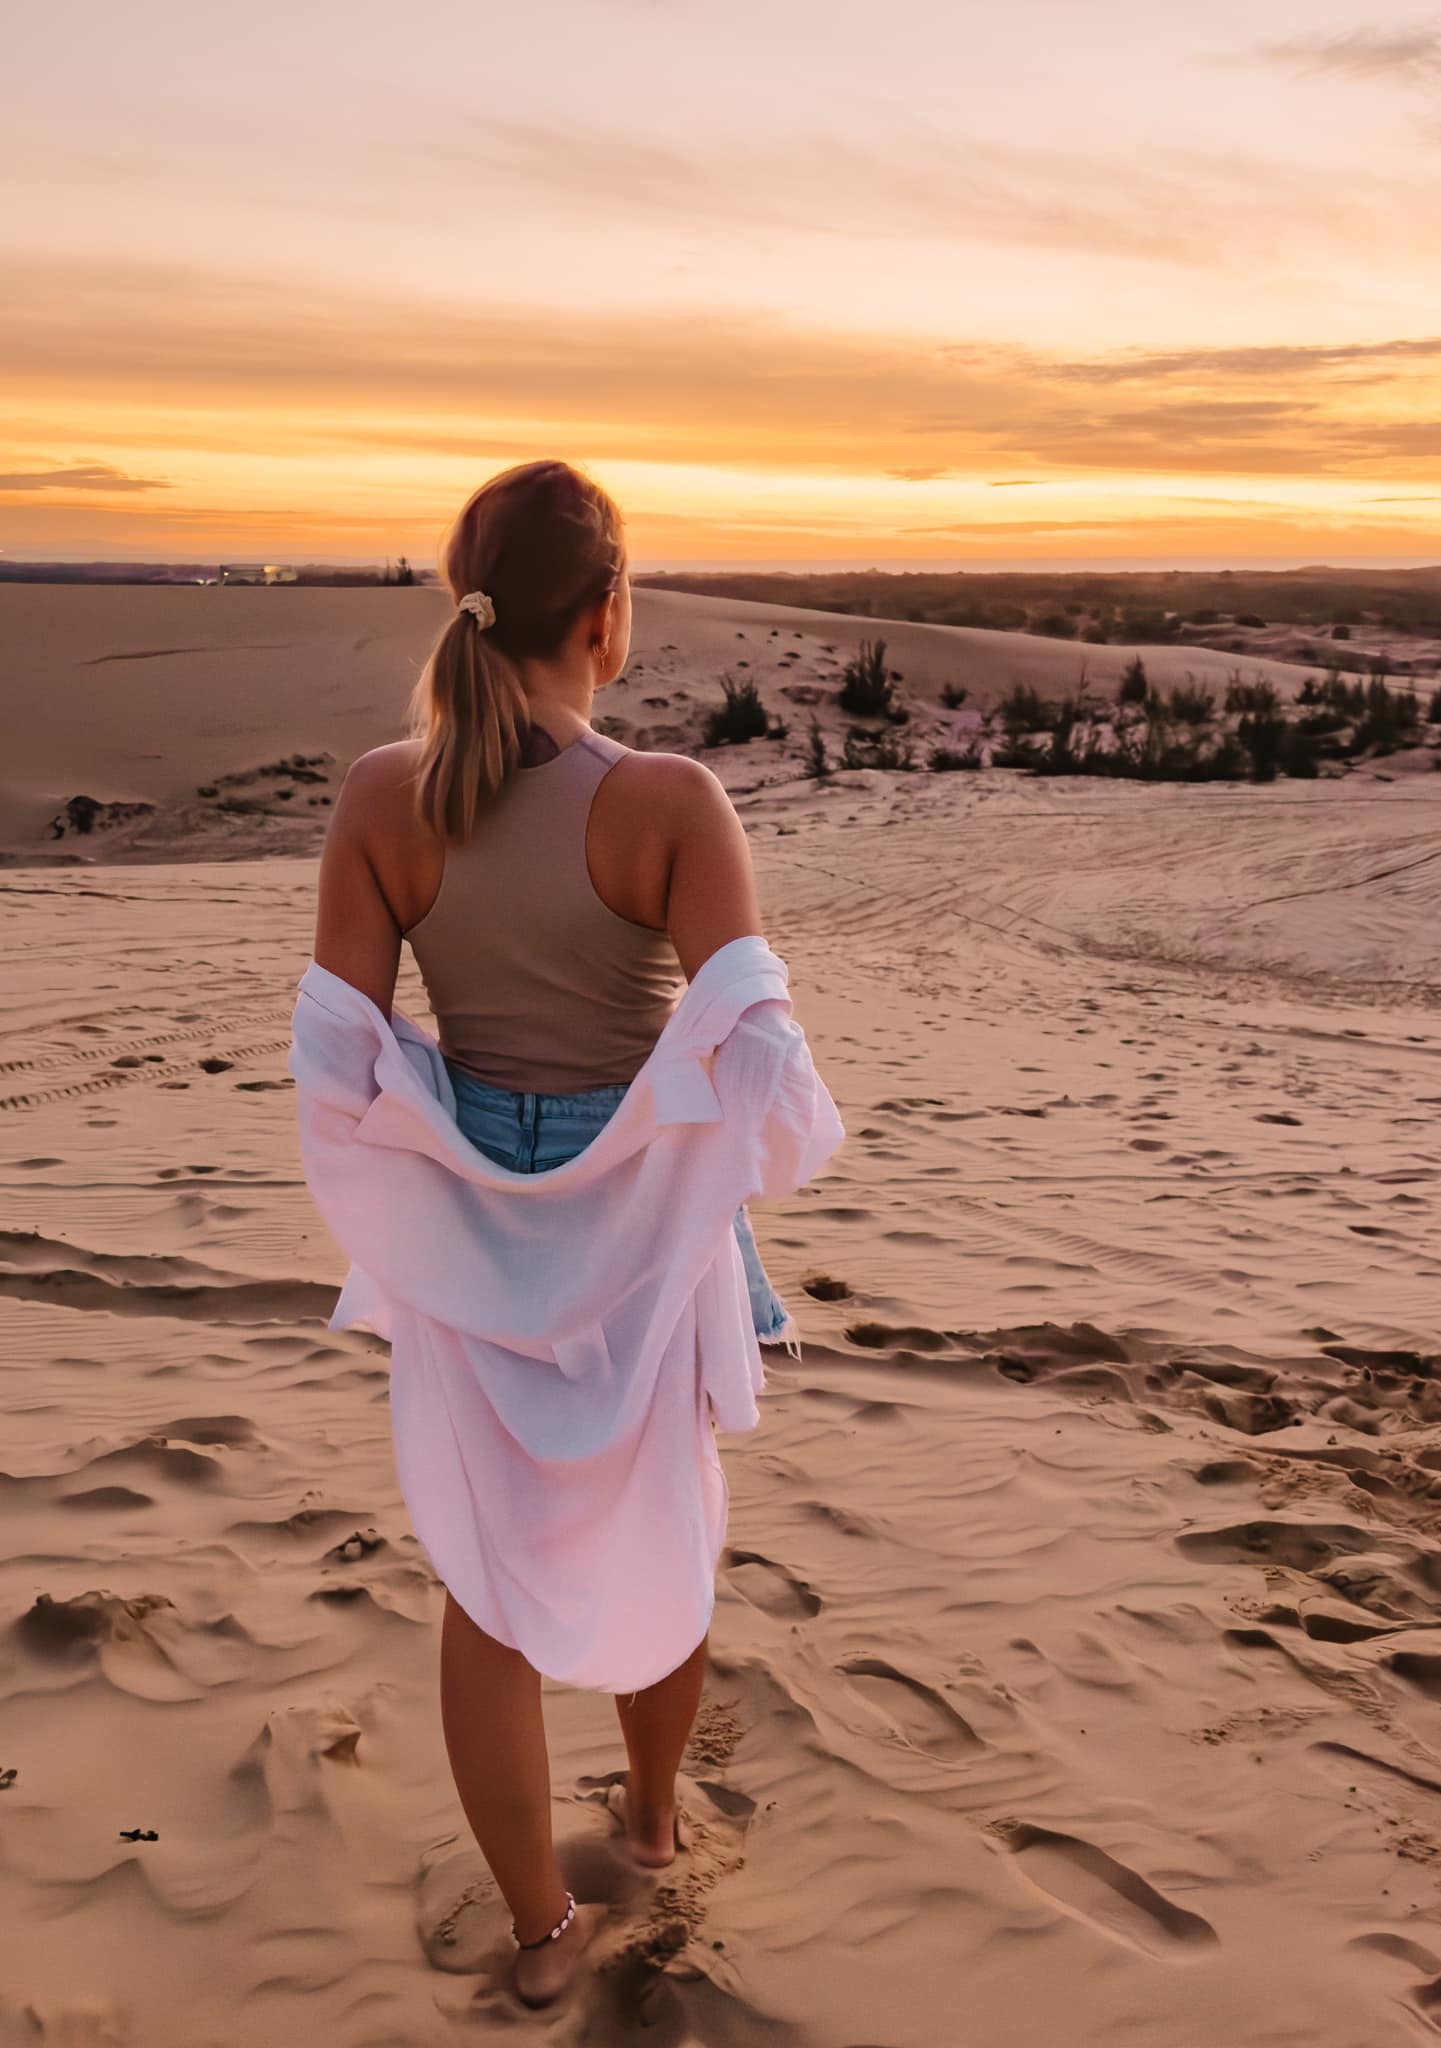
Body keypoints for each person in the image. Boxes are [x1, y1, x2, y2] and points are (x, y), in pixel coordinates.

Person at [306, 458, 825, 2011]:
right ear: (609, 612)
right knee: (664, 1514)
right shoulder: (667, 802)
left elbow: (339, 1056)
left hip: (469, 1219)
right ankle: (654, 1828)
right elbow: (755, 1047)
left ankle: (540, 1927)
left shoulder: (379, 798)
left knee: (485, 1569)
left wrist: (429, 1168)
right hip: (642, 1215)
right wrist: (746, 1142)